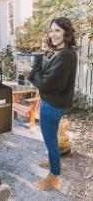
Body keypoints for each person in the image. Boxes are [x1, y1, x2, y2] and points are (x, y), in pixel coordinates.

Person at [25, 17, 77, 191]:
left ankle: (54, 177)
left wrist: (31, 71)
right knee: (51, 139)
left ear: (66, 33)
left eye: (58, 31)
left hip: (52, 105)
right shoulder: (63, 52)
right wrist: (38, 66)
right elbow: (50, 74)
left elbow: (47, 83)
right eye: (51, 30)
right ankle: (52, 161)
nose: (53, 34)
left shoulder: (66, 55)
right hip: (52, 103)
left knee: (50, 141)